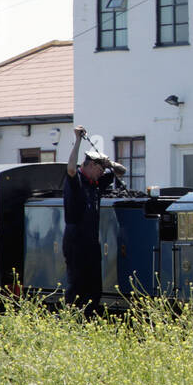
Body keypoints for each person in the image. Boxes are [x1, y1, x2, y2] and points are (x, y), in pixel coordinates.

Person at [63, 125, 127, 315]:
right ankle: (74, 319)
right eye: (98, 170)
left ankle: (91, 317)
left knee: (94, 287)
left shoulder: (95, 183)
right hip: (75, 240)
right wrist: (78, 141)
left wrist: (108, 164)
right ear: (90, 166)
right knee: (77, 285)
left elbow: (121, 171)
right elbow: (71, 169)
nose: (101, 174)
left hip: (91, 242)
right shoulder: (77, 181)